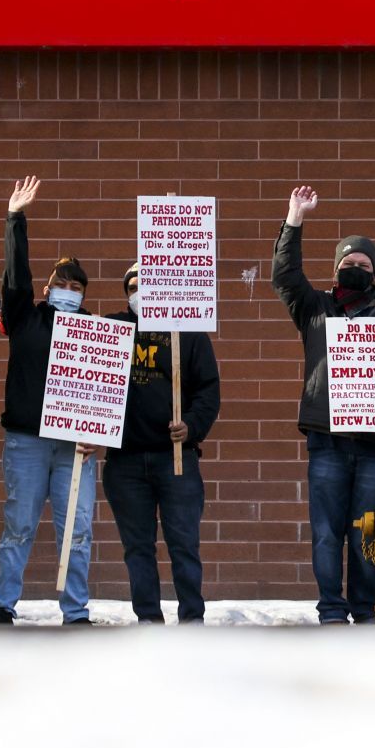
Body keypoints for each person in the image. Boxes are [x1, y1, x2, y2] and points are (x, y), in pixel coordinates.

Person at [273, 184, 375, 624]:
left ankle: (364, 610)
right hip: (328, 442)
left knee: (368, 534)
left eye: (363, 264)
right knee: (326, 535)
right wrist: (295, 219)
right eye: (348, 263)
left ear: (374, 273)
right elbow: (285, 276)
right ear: (336, 269)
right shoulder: (316, 309)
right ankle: (331, 610)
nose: (356, 268)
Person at [0, 176, 101, 626]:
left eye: (77, 285)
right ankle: (4, 605)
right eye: (62, 282)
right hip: (28, 443)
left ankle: (75, 610)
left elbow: (107, 393)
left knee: (77, 531)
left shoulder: (97, 331)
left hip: (76, 447)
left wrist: (100, 434)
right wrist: (15, 220)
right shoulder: (25, 318)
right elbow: (15, 278)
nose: (69, 289)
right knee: (19, 525)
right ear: (48, 286)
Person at [103, 263, 222, 624]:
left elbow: (208, 390)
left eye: (146, 284)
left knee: (184, 544)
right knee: (137, 548)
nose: (138, 292)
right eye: (132, 286)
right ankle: (148, 621)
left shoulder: (188, 334)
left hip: (177, 459)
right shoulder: (110, 330)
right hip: (124, 462)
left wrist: (192, 426)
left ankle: (191, 619)